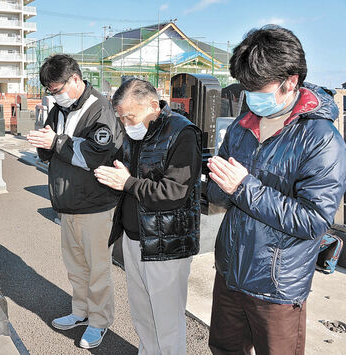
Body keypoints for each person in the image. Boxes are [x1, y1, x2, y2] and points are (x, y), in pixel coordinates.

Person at [207, 25, 346, 355]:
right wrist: (218, 183)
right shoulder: (243, 125)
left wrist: (242, 188)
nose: (252, 96)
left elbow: (313, 220)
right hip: (229, 272)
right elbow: (217, 195)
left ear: (291, 82)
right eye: (247, 88)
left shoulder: (321, 139)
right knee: (223, 349)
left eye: (260, 88)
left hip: (277, 287)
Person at [94, 79, 202, 354]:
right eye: (122, 117)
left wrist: (127, 183)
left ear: (154, 105)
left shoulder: (182, 133)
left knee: (167, 318)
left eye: (130, 116)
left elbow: (175, 191)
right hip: (134, 236)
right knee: (142, 311)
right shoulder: (133, 133)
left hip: (166, 242)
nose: (126, 123)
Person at [26, 54, 123, 349]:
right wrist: (46, 144)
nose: (54, 96)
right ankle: (80, 312)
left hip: (95, 203)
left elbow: (95, 155)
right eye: (50, 91)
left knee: (97, 269)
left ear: (75, 80)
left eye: (57, 89)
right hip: (67, 202)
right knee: (76, 267)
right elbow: (52, 143)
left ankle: (100, 321)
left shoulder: (100, 110)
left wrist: (55, 142)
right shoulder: (59, 109)